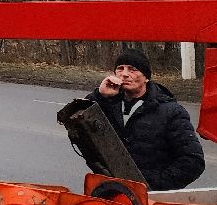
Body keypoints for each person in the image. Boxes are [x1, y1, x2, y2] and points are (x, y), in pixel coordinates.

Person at [87, 48, 204, 190]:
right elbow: (77, 123)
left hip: (150, 199)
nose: (124, 74)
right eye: (120, 68)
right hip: (111, 192)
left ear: (146, 77)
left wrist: (153, 186)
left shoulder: (171, 112)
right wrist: (100, 96)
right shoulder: (107, 104)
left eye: (132, 69)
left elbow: (193, 161)